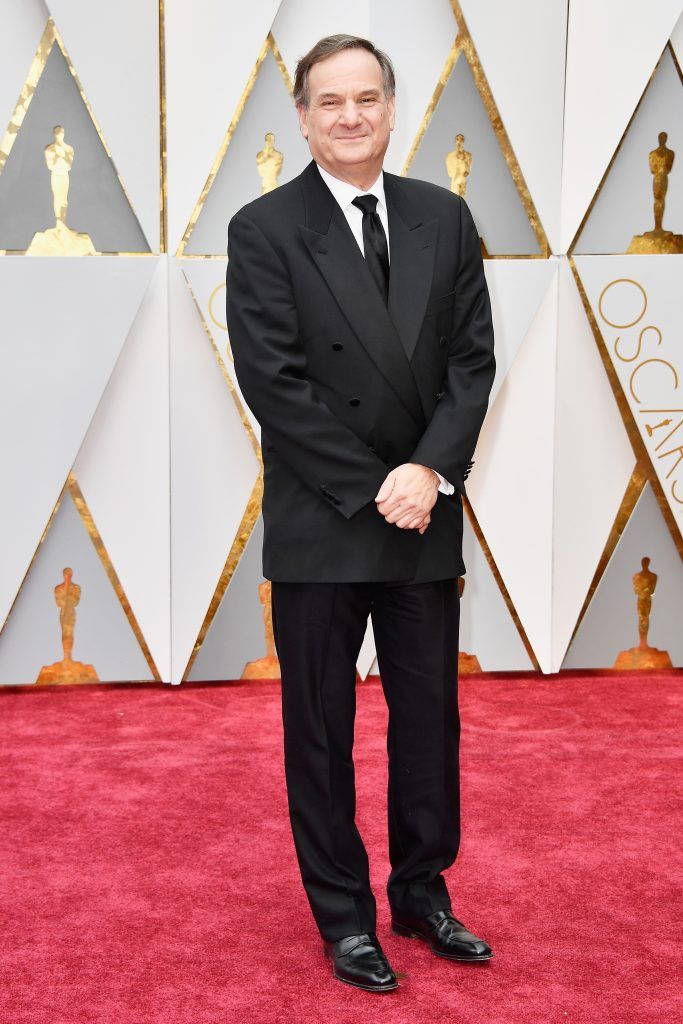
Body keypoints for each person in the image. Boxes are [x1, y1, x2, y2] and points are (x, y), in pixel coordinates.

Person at [226, 33, 496, 994]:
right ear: (300, 117)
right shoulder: (263, 228)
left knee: (429, 719)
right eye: (329, 101)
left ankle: (421, 892)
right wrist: (378, 481)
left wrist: (427, 470)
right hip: (324, 519)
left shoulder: (444, 217)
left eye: (367, 98)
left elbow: (472, 363)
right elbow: (275, 382)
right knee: (321, 729)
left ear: (392, 108)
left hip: (423, 511)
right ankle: (342, 918)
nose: (350, 116)